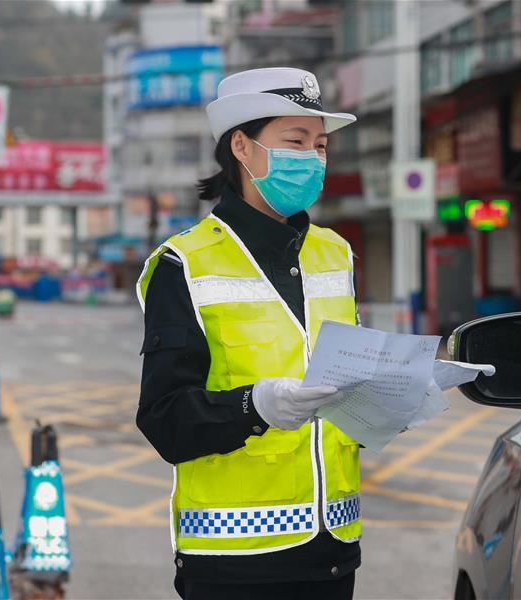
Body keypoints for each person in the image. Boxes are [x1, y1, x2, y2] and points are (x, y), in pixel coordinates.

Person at [135, 68, 362, 600]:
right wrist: (253, 407)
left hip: (333, 554)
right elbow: (165, 420)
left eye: (321, 146)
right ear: (242, 147)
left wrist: (393, 396)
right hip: (232, 564)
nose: (313, 159)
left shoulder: (336, 253)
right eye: (296, 142)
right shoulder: (185, 264)